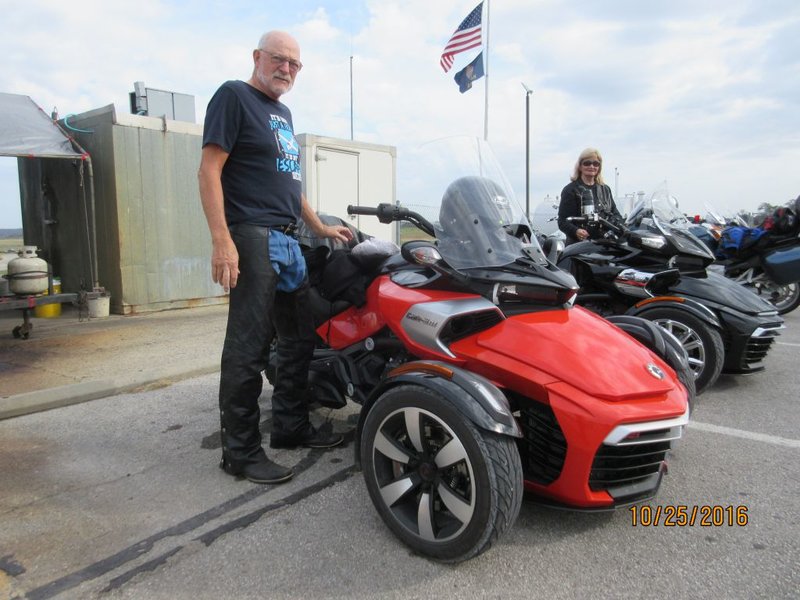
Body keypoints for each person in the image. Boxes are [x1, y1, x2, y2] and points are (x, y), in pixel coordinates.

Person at [198, 31, 353, 485]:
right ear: (257, 57)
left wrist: (319, 226)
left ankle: (289, 427)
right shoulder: (234, 96)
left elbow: (289, 183)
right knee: (247, 348)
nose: (286, 69)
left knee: (299, 338)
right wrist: (221, 239)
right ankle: (240, 453)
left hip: (288, 240)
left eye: (294, 64)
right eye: (279, 59)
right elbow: (209, 170)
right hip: (251, 236)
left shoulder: (282, 112)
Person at [557, 148, 622, 244]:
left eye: (596, 164)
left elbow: (616, 214)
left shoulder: (605, 190)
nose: (592, 166)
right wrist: (576, 231)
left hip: (604, 245)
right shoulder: (570, 190)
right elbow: (562, 221)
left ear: (599, 167)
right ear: (580, 166)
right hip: (579, 246)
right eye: (587, 163)